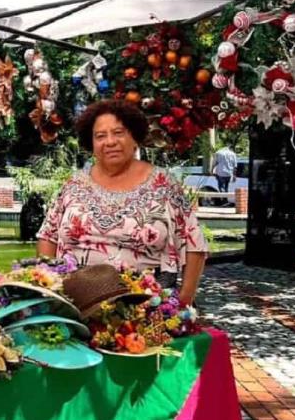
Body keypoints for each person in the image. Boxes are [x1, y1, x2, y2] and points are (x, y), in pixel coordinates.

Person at [36, 99, 207, 306]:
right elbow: (48, 236)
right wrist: (48, 289)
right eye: (100, 136)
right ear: (91, 144)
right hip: (75, 303)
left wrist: (184, 301)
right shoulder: (74, 185)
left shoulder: (164, 185)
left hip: (145, 307)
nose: (110, 142)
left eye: (119, 133)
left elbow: (194, 243)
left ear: (135, 138)